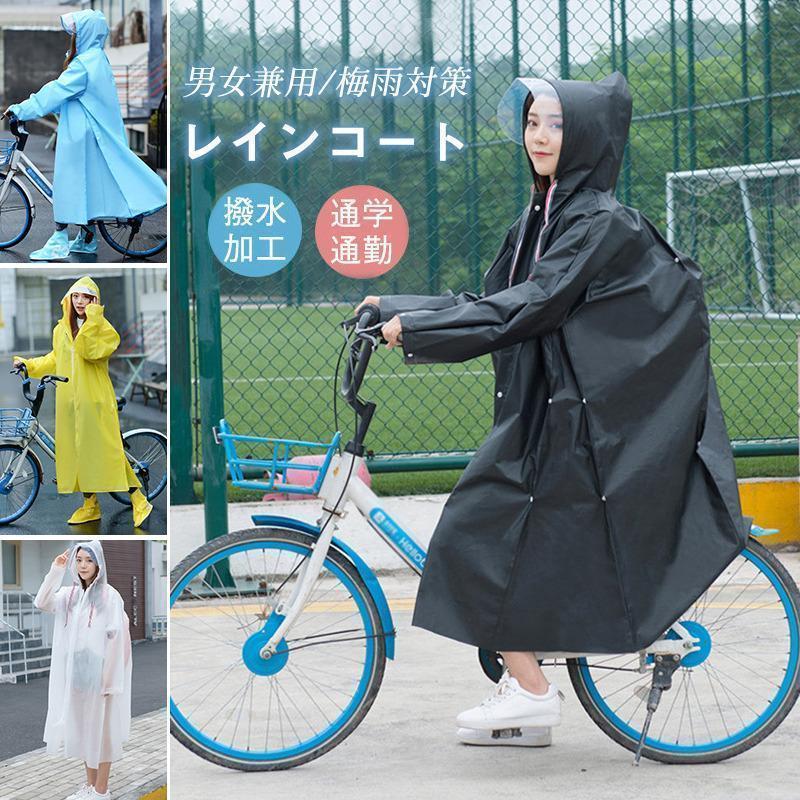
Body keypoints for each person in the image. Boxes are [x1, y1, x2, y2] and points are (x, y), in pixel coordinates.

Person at [357, 72, 747, 746]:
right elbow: (494, 300)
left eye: (557, 124)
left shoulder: (595, 220)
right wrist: (395, 309)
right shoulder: (543, 216)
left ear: (587, 135)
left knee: (472, 531)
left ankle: (533, 691)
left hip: (584, 419)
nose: (539, 135)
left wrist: (416, 334)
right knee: (504, 537)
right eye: (534, 122)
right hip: (550, 405)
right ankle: (522, 686)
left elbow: (531, 308)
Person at [3, 9, 166, 261]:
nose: (73, 36)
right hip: (90, 134)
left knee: (70, 184)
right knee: (85, 186)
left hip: (81, 137)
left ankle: (59, 238)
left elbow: (55, 91)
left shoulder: (84, 65)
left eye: (76, 32)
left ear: (86, 33)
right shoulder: (97, 59)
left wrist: (20, 109)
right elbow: (70, 96)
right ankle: (87, 237)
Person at [12, 275, 154, 527]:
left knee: (108, 453)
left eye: (87, 297)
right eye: (76, 296)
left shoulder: (105, 330)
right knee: (76, 454)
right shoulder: (61, 330)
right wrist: (28, 364)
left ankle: (138, 499)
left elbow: (89, 351)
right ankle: (90, 505)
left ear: (96, 301)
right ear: (68, 298)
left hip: (95, 401)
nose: (80, 302)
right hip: (68, 402)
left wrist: (94, 317)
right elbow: (55, 358)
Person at [34, 541, 132, 799]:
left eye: (88, 560)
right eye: (79, 561)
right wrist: (56, 570)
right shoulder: (69, 595)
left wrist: (110, 680)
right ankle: (90, 787)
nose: (83, 566)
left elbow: (118, 640)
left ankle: (101, 791)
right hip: (76, 675)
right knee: (85, 732)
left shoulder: (110, 596)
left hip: (102, 676)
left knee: (103, 735)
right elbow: (42, 602)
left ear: (98, 563)